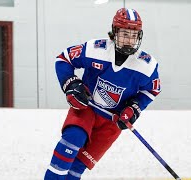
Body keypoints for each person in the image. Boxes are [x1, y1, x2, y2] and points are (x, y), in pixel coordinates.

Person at [44, 8, 161, 180]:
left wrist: (134, 108)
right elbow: (64, 59)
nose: (129, 40)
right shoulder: (96, 49)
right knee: (70, 143)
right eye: (124, 34)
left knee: (77, 168)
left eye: (134, 35)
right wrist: (71, 83)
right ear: (114, 32)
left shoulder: (146, 65)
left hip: (112, 122)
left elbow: (152, 90)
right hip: (86, 108)